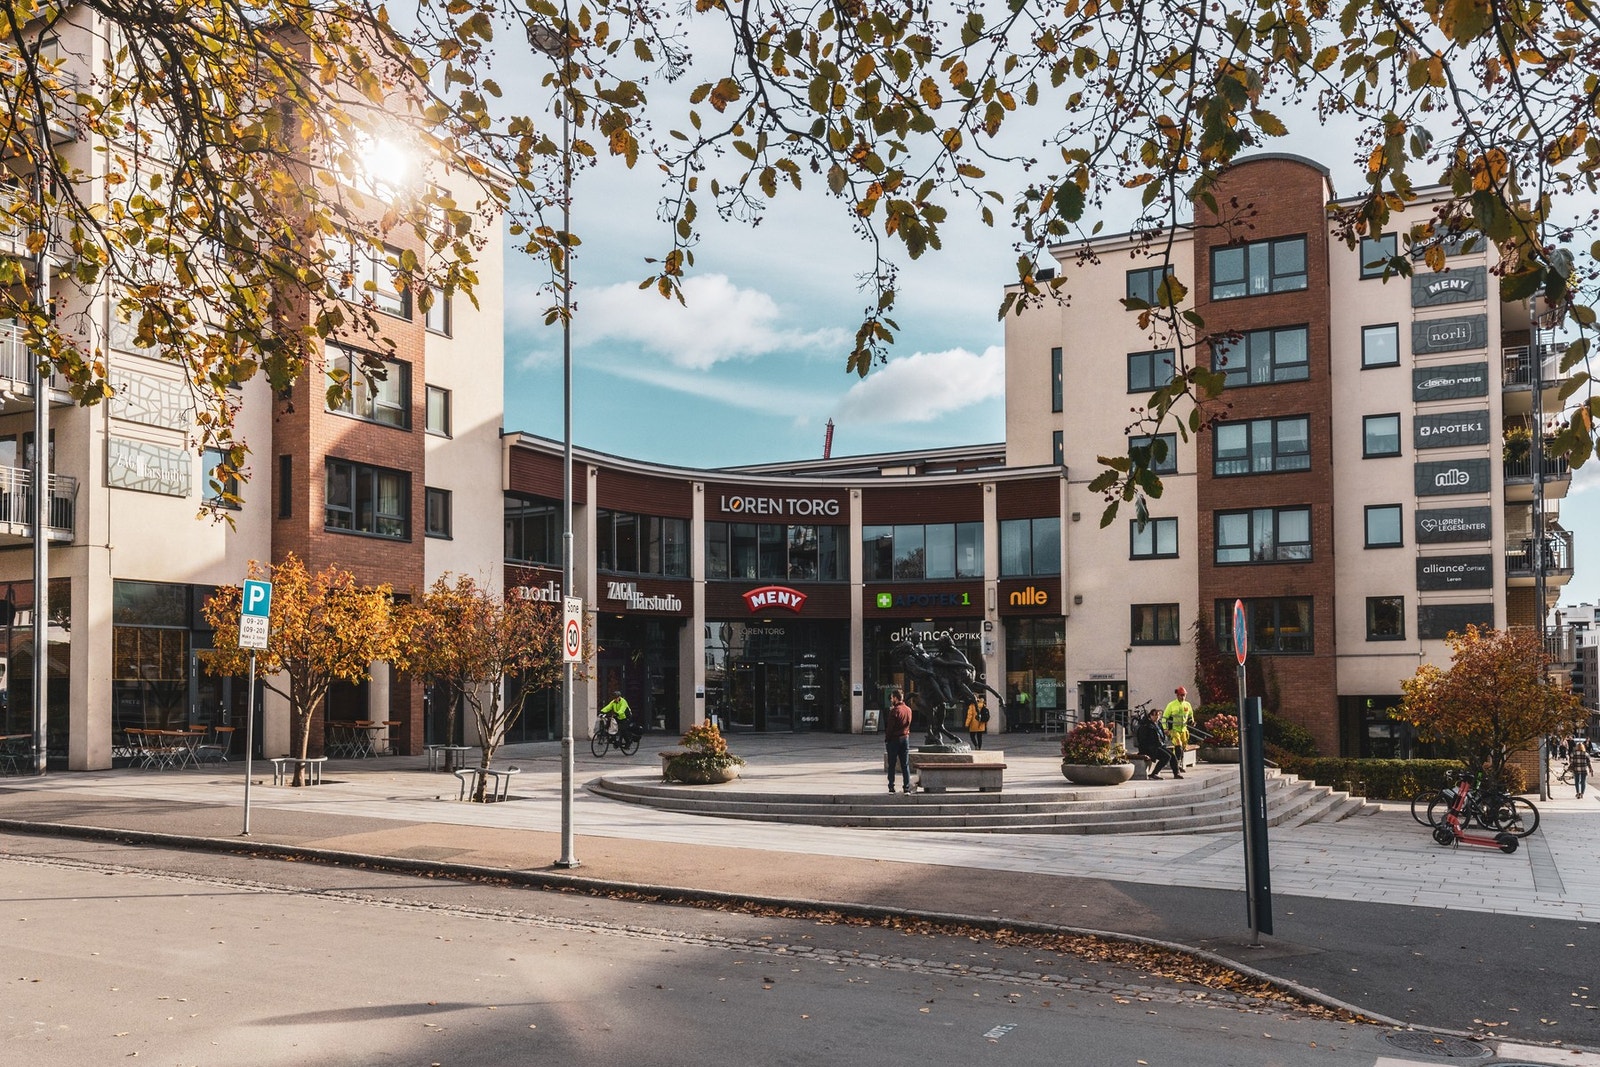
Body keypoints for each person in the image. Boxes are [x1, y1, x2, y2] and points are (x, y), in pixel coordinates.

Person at [1137, 707, 1181, 779]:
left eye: (1158, 715)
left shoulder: (1158, 724)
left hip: (1159, 746)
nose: (1157, 717)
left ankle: (1176, 773)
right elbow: (1142, 740)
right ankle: (1154, 774)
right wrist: (1144, 750)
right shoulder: (1146, 726)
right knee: (1167, 756)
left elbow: (1161, 736)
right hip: (1150, 748)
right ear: (1150, 716)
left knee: (1173, 755)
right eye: (1154, 715)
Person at [884, 688, 914, 794]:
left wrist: (887, 739)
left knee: (891, 764)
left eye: (892, 698)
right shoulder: (908, 710)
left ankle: (891, 786)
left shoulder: (894, 711)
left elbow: (890, 728)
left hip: (894, 740)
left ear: (896, 698)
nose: (891, 700)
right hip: (905, 738)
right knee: (905, 764)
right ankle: (906, 787)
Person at [1162, 686, 1194, 755]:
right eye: (1181, 695)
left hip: (1184, 730)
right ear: (1177, 695)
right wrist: (1165, 729)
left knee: (1183, 747)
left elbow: (1190, 715)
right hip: (1174, 729)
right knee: (1178, 745)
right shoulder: (1171, 705)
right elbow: (1164, 718)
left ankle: (1177, 760)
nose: (1183, 697)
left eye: (1184, 695)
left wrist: (1192, 721)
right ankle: (1177, 761)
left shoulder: (1187, 705)